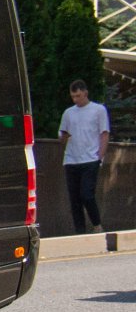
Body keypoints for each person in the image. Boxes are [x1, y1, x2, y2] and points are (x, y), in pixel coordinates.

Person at [59, 79, 110, 234]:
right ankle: (80, 232)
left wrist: (100, 156)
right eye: (73, 96)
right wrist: (63, 137)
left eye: (78, 96)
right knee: (75, 200)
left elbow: (104, 134)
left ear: (85, 93)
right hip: (71, 160)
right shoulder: (68, 113)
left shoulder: (98, 110)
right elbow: (62, 135)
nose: (76, 99)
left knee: (87, 195)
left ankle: (97, 224)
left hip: (90, 159)